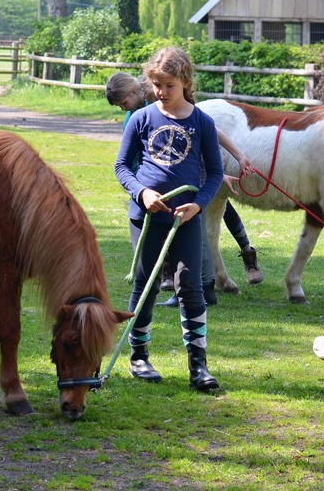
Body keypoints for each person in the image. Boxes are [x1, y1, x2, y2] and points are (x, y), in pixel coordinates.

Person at [114, 47, 223, 391]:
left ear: (186, 82)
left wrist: (198, 205)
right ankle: (139, 356)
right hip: (146, 218)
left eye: (169, 85)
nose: (161, 92)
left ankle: (198, 364)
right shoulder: (142, 118)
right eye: (156, 84)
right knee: (145, 286)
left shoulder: (202, 123)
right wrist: (142, 193)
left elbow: (215, 174)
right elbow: (121, 167)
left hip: (185, 220)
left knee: (190, 286)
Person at [106, 72, 264, 308]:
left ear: (132, 92)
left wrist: (238, 157)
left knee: (201, 223)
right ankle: (201, 283)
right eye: (160, 86)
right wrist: (140, 187)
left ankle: (210, 282)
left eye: (123, 103)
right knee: (196, 226)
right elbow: (129, 162)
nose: (123, 109)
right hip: (162, 185)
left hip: (190, 175)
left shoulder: (171, 104)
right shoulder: (139, 115)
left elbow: (209, 131)